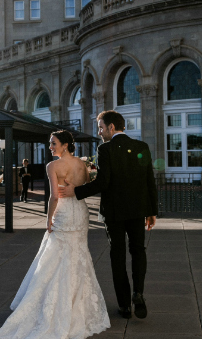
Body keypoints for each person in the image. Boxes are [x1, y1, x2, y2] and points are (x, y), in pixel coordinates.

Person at [0, 130, 110, 339]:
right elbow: (87, 185)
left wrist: (48, 218)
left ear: (66, 145)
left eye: (54, 143)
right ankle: (76, 307)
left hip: (65, 213)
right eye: (50, 143)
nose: (50, 146)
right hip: (81, 213)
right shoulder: (81, 164)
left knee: (56, 258)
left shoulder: (52, 167)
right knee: (79, 255)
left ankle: (56, 309)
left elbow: (54, 197)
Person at [57, 110, 157, 320]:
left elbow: (104, 183)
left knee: (118, 256)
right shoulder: (142, 147)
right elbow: (149, 181)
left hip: (114, 213)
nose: (100, 132)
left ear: (112, 127)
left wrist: (76, 191)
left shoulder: (106, 149)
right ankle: (138, 292)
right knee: (139, 251)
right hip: (138, 210)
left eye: (101, 128)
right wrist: (151, 211)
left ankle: (124, 306)